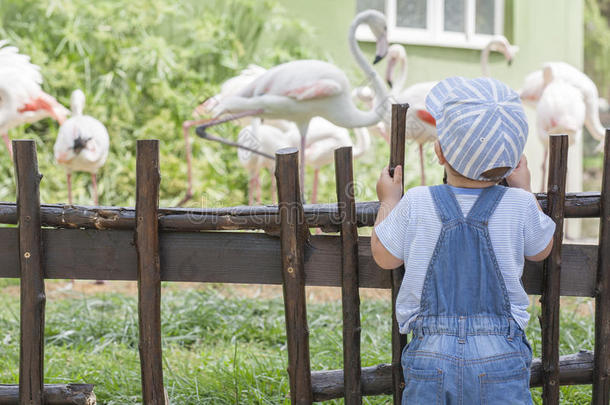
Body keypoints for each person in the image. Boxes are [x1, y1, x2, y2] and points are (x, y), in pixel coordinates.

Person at [371, 77, 556, 404]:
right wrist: (525, 188)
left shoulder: (416, 201)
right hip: (502, 354)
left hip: (430, 357)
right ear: (512, 161)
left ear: (439, 152)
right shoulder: (519, 203)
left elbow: (385, 257)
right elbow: (541, 249)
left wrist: (389, 199)